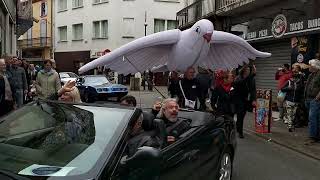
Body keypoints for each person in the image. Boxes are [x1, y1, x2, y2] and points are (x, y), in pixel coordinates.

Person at [233, 65, 256, 138]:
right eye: (247, 70)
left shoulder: (251, 79)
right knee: (240, 114)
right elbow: (241, 82)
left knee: (242, 115)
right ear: (243, 71)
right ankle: (240, 132)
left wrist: (254, 99)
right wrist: (252, 75)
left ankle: (238, 125)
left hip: (246, 99)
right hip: (238, 99)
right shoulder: (238, 78)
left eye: (249, 70)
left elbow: (253, 89)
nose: (248, 71)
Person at [281, 64, 304, 132]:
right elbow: (282, 89)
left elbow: (302, 89)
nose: (295, 76)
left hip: (296, 101)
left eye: (296, 73)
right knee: (289, 114)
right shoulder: (289, 82)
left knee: (293, 115)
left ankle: (291, 124)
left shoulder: (300, 82)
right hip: (289, 100)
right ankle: (290, 127)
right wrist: (288, 88)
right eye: (294, 73)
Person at [304, 59, 320, 145]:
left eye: (310, 65)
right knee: (315, 118)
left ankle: (312, 137)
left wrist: (318, 97)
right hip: (309, 99)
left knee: (312, 118)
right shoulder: (311, 75)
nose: (309, 66)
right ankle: (316, 136)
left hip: (315, 99)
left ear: (314, 66)